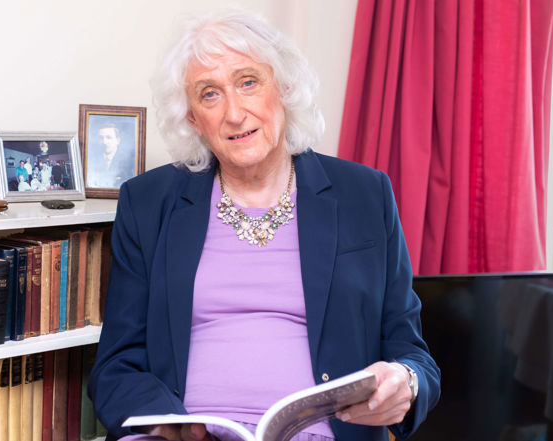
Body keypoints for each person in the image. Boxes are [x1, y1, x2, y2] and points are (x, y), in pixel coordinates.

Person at [88, 10, 440, 441]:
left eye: (248, 82)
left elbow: (411, 352)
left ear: (285, 88)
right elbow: (115, 367)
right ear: (194, 119)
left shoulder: (364, 195)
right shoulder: (148, 203)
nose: (235, 113)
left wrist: (406, 381)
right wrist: (168, 427)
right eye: (210, 94)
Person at [87, 123, 136, 188]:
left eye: (109, 137)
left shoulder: (129, 161)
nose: (104, 142)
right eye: (101, 138)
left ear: (118, 140)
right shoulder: (92, 160)